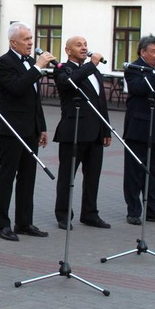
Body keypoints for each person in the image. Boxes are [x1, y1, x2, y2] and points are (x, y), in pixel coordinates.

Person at [0, 22, 55, 242]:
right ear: (13, 42)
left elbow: (34, 98)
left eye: (31, 38)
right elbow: (17, 88)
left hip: (31, 129)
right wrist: (37, 67)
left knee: (28, 177)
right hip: (11, 130)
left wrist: (42, 127)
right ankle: (2, 224)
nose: (31, 43)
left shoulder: (29, 62)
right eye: (26, 39)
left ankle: (24, 222)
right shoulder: (4, 63)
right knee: (7, 176)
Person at [53, 36, 112, 229]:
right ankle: (63, 215)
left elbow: (101, 102)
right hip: (73, 131)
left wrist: (106, 129)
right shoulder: (62, 68)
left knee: (93, 175)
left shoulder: (94, 72)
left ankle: (90, 213)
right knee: (67, 176)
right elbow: (69, 82)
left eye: (86, 44)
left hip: (95, 132)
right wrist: (92, 65)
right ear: (68, 50)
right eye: (79, 45)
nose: (84, 48)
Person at [122, 35, 155, 226]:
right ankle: (133, 210)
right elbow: (140, 89)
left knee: (153, 173)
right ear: (143, 52)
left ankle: (152, 210)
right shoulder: (133, 68)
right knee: (134, 172)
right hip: (139, 128)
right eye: (154, 51)